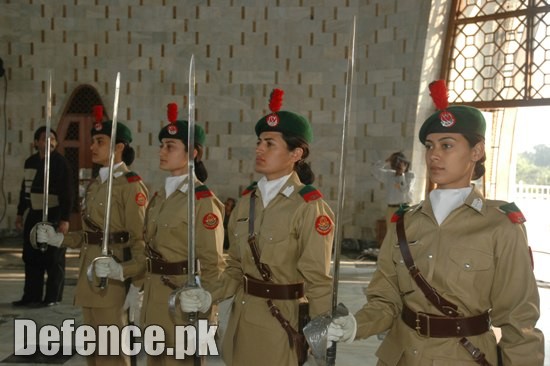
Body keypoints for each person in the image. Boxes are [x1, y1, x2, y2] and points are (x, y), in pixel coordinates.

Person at [327, 80, 544, 365]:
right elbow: (385, 298)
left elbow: (519, 318)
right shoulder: (404, 222)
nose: (434, 155)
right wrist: (357, 324)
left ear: (476, 152)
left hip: (464, 357)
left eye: (447, 145)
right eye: (430, 146)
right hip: (401, 356)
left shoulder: (500, 226)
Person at [208, 88, 335, 365]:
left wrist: (322, 334)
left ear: (296, 153)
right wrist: (208, 295)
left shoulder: (308, 207)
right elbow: (235, 267)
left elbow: (318, 279)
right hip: (241, 318)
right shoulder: (245, 203)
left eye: (269, 143)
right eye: (259, 142)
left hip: (280, 323)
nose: (259, 149)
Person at [36, 106, 148, 366]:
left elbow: (140, 239)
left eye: (100, 141)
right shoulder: (98, 183)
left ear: (118, 147)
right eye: (93, 141)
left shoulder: (130, 186)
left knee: (113, 353)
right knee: (94, 353)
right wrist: (59, 238)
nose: (92, 146)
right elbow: (90, 235)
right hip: (91, 277)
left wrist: (138, 284)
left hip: (113, 278)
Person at [141, 103, 226, 365]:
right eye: (162, 145)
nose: (162, 151)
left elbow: (213, 263)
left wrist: (207, 306)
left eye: (170, 146)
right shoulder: (158, 197)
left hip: (182, 299)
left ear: (193, 153)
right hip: (155, 297)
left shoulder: (202, 201)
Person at [13, 126, 73, 307]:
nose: (49, 142)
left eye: (53, 138)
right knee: (31, 256)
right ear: (36, 142)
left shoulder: (60, 163)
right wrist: (19, 213)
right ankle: (31, 295)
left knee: (53, 257)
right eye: (44, 138)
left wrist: (65, 219)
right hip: (34, 213)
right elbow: (25, 190)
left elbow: (68, 192)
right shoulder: (30, 162)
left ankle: (52, 297)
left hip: (54, 214)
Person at [371, 151, 415, 226]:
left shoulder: (410, 175)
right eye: (395, 162)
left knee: (400, 233)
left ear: (405, 163)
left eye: (400, 162)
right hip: (391, 209)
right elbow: (374, 171)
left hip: (403, 208)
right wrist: (386, 161)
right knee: (391, 233)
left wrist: (402, 174)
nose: (397, 165)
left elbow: (405, 190)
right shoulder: (389, 175)